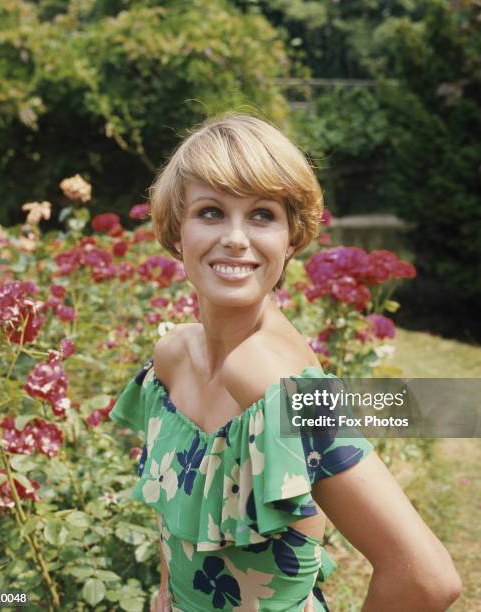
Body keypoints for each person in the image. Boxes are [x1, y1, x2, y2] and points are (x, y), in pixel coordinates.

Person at [110, 113, 462, 611]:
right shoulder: (172, 357)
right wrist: (167, 592)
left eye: (262, 215)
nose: (235, 237)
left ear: (292, 237)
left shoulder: (273, 378)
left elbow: (425, 577)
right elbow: (179, 512)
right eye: (211, 212)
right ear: (175, 232)